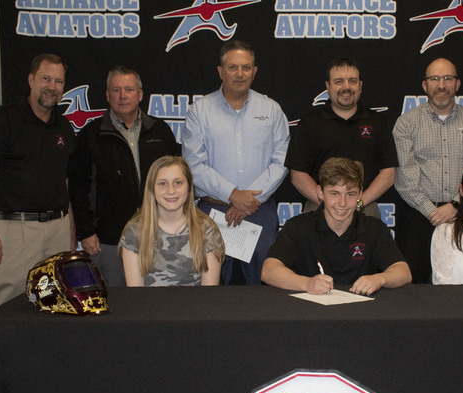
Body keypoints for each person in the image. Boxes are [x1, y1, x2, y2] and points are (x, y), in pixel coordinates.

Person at [0, 53, 76, 310]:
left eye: (59, 81)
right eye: (46, 79)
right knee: (8, 306)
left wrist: (70, 233)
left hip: (57, 229)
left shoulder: (64, 127)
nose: (52, 87)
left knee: (54, 305)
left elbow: (64, 183)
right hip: (14, 230)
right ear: (31, 80)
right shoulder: (2, 121)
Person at [183, 40, 289, 285]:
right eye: (232, 67)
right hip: (212, 212)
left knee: (264, 287)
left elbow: (281, 160)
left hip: (259, 211)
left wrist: (247, 201)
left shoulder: (272, 110)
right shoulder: (199, 111)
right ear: (220, 71)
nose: (240, 73)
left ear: (254, 71)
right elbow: (194, 165)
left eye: (246, 67)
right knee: (210, 288)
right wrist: (232, 194)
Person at [69, 66, 179, 287]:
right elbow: (78, 187)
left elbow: (177, 181)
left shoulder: (160, 131)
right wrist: (86, 232)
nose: (122, 96)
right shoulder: (92, 135)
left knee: (158, 300)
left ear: (140, 94)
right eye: (116, 90)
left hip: (158, 235)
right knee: (117, 300)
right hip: (110, 240)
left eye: (129, 89)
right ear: (108, 95)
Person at [394, 58, 463, 284]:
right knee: (413, 286)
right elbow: (405, 179)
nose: (441, 85)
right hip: (418, 217)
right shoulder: (406, 123)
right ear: (425, 85)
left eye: (448, 78)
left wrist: (456, 205)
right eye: (434, 79)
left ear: (457, 84)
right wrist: (433, 212)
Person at [262, 157, 411, 296]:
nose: (342, 203)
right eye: (335, 193)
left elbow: (403, 272)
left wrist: (379, 279)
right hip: (311, 311)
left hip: (361, 311)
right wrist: (306, 283)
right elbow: (269, 271)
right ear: (320, 192)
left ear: (360, 194)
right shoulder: (298, 227)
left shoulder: (374, 228)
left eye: (350, 194)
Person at [285, 57, 398, 218]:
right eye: (339, 81)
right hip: (320, 205)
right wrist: (329, 203)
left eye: (352, 81)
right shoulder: (309, 123)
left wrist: (357, 203)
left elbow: (388, 173)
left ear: (360, 86)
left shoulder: (378, 122)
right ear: (328, 86)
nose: (346, 87)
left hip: (364, 206)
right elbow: (298, 175)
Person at [119, 156, 224, 286]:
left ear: (189, 187)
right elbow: (136, 293)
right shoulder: (134, 232)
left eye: (178, 182)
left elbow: (209, 292)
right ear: (151, 188)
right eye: (163, 183)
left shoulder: (207, 229)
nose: (171, 190)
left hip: (197, 300)